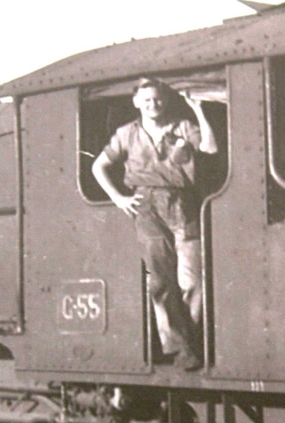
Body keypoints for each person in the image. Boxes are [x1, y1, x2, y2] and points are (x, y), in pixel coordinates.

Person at [92, 77, 218, 371]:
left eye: (157, 99)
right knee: (160, 281)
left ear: (165, 100)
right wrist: (119, 198)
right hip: (146, 207)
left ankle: (191, 339)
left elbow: (210, 148)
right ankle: (180, 349)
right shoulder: (126, 134)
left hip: (182, 203)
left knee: (193, 281)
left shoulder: (183, 126)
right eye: (146, 100)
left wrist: (198, 110)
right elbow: (98, 166)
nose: (152, 105)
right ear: (136, 102)